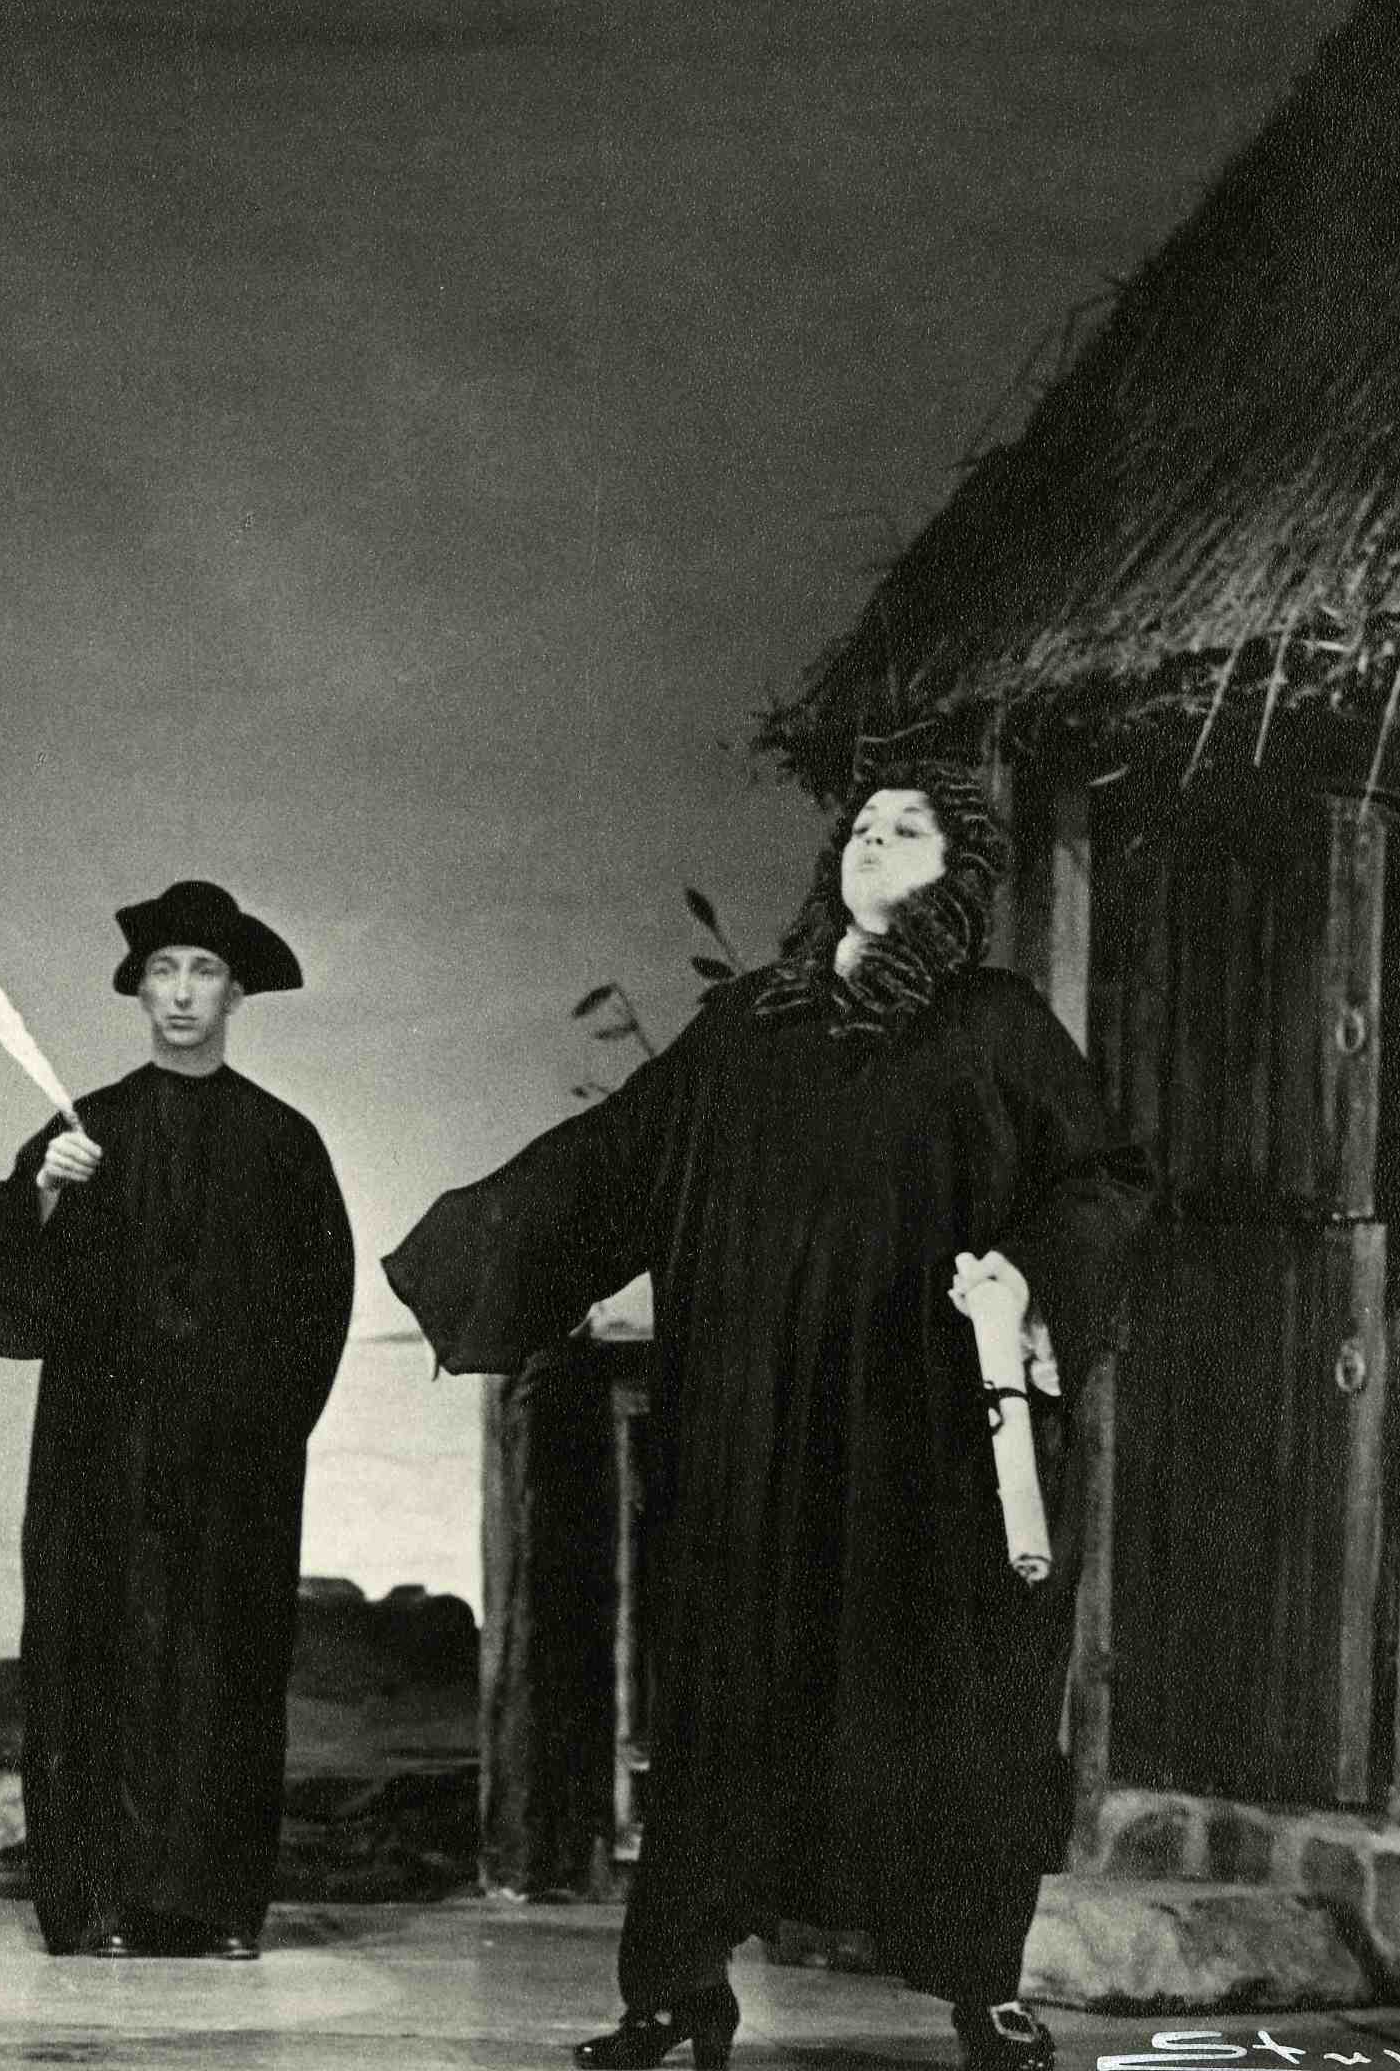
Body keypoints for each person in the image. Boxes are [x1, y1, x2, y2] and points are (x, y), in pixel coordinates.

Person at [379, 774, 1155, 2071]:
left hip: (924, 1442)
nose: (872, 842)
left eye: (908, 828)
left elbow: (1103, 1178)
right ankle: (676, 1991)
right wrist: (470, 1251)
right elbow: (615, 1159)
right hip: (753, 1432)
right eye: (861, 828)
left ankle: (984, 1988)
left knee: (955, 1705)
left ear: (958, 871)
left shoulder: (996, 1024)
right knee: (723, 1702)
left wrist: (1026, 1272)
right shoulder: (748, 1024)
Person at [0, 880, 353, 1963]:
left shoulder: (283, 1143)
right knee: (93, 1658)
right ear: (139, 990)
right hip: (96, 1462)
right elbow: (10, 1313)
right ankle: (96, 1904)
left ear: (236, 994)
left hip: (233, 1471)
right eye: (164, 970)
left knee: (225, 1665)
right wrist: (43, 1194)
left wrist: (263, 1439)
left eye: (205, 972)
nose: (182, 992)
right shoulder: (82, 1133)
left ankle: (217, 1905)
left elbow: (318, 1311)